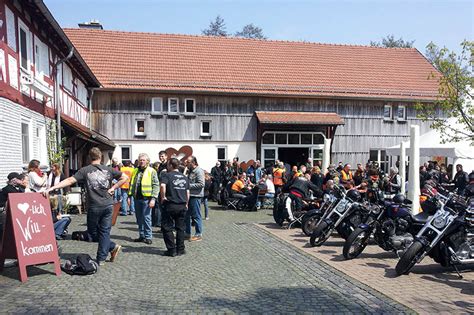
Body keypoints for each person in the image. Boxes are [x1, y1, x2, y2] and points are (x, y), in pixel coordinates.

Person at [44, 147, 127, 265]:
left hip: (94, 206)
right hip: (108, 204)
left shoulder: (85, 170)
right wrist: (113, 188)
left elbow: (69, 180)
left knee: (93, 233)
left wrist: (52, 188)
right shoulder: (109, 170)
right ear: (101, 157)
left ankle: (109, 250)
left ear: (89, 157)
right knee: (104, 232)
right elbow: (125, 177)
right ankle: (104, 255)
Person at [160, 158, 190, 257]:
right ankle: (180, 249)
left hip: (170, 204)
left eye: (168, 165)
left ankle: (171, 250)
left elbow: (162, 186)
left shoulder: (167, 175)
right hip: (182, 204)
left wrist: (163, 196)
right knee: (180, 228)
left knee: (167, 227)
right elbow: (187, 192)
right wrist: (186, 202)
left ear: (171, 166)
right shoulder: (184, 177)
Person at [128, 153, 160, 244]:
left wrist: (153, 198)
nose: (141, 161)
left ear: (147, 161)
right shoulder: (135, 170)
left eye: (143, 160)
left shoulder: (152, 170)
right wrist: (129, 196)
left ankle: (148, 236)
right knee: (139, 218)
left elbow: (156, 185)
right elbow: (131, 184)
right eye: (140, 160)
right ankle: (141, 235)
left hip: (147, 199)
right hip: (137, 198)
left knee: (147, 218)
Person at [186, 156, 205, 241]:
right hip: (189, 196)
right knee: (187, 215)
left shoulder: (199, 171)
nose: (186, 163)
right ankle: (187, 233)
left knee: (196, 215)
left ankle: (198, 234)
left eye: (188, 162)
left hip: (196, 196)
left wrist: (188, 186)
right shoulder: (190, 171)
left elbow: (201, 184)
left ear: (193, 163)